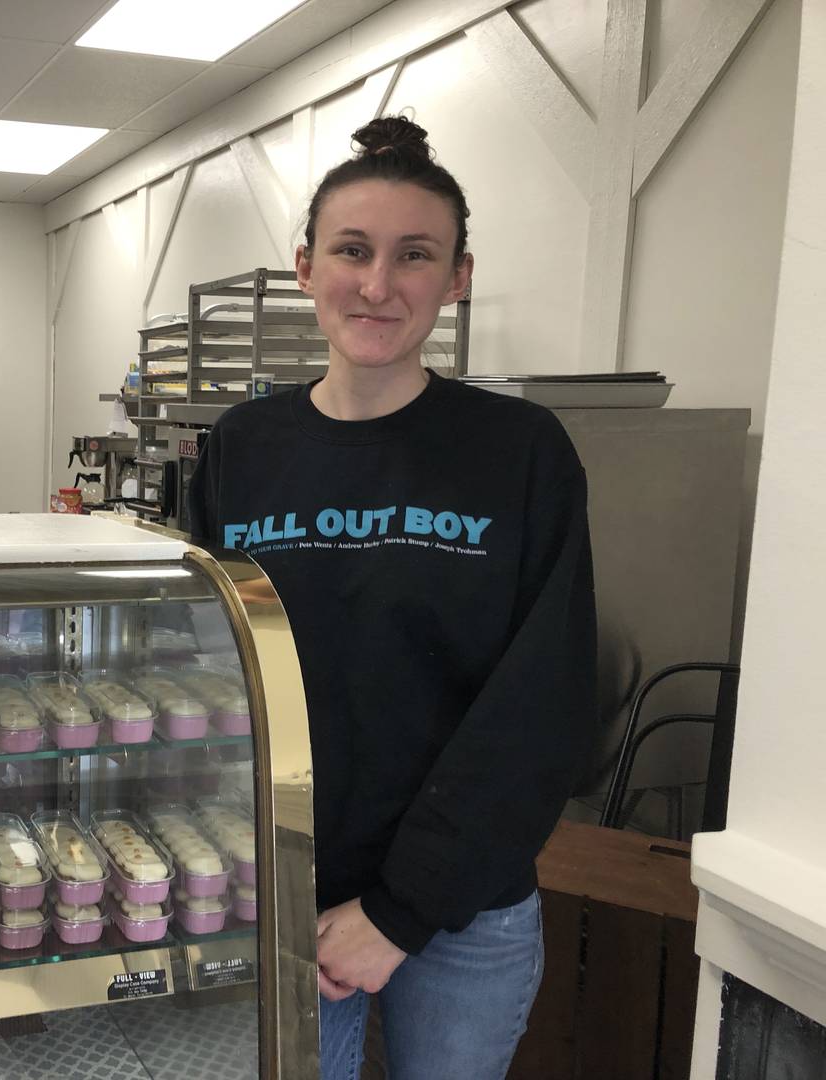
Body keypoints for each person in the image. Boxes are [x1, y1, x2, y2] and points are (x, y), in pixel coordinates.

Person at [188, 115, 598, 1079]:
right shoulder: (242, 449)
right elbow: (207, 673)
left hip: (464, 909)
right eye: (352, 251)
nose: (378, 285)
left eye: (415, 255)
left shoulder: (520, 452)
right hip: (285, 892)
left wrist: (398, 911)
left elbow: (541, 708)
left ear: (457, 277)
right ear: (305, 266)